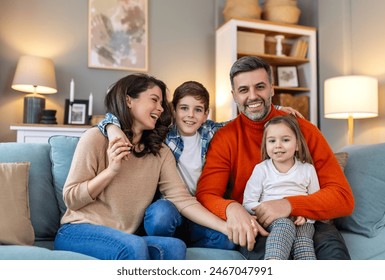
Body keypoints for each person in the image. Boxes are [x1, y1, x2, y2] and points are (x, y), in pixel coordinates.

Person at [98, 80, 301, 249]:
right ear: (174, 110)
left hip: (202, 210)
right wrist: (111, 127)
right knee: (160, 215)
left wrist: (278, 110)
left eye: (198, 110)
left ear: (206, 114)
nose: (190, 115)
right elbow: (113, 117)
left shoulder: (211, 131)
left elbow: (246, 120)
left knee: (229, 241)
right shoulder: (161, 134)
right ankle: (165, 245)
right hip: (171, 208)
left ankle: (184, 243)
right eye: (184, 108)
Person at [54, 73, 231, 260]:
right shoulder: (96, 139)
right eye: (154, 100)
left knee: (175, 247)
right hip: (79, 231)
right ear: (129, 101)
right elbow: (71, 199)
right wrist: (111, 171)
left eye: (162, 104)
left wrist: (226, 227)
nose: (160, 109)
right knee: (134, 247)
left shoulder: (160, 151)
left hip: (126, 237)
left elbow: (182, 200)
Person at [196, 55, 355, 260]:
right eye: (244, 90)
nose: (253, 96)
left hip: (308, 221)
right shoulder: (225, 137)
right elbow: (206, 194)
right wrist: (232, 207)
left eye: (260, 87)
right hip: (260, 223)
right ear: (234, 95)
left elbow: (343, 198)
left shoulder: (303, 129)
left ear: (272, 88)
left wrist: (288, 204)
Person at [243, 115, 319, 260]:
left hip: (302, 221)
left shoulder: (307, 169)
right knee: (284, 225)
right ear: (266, 145)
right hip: (274, 221)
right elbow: (248, 203)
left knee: (303, 243)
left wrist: (306, 215)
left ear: (297, 145)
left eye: (285, 140)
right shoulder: (261, 169)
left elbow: (316, 201)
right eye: (272, 141)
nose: (278, 145)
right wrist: (268, 209)